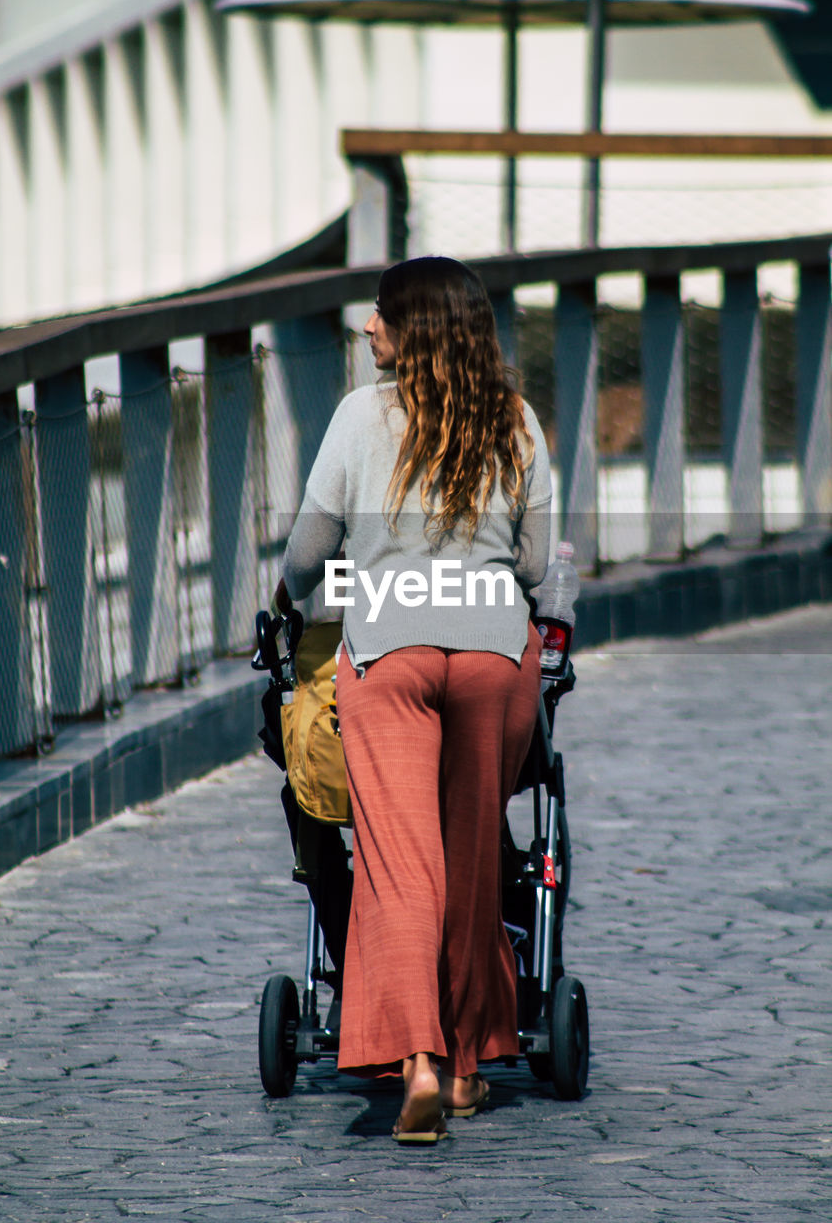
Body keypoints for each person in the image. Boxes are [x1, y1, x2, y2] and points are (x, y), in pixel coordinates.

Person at [275, 256, 551, 1143]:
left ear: (411, 330)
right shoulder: (515, 420)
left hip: (388, 652)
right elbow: (539, 567)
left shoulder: (361, 417)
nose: (367, 330)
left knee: (398, 864)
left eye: (381, 317)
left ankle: (416, 1063)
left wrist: (293, 593)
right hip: (493, 653)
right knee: (471, 860)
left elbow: (309, 553)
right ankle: (470, 1066)